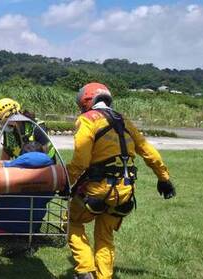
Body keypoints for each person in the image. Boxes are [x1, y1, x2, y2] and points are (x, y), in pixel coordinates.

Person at [66, 82, 176, 279]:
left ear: (86, 101)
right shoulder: (124, 121)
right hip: (124, 192)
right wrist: (164, 178)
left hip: (96, 190)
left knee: (72, 221)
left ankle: (84, 271)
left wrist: (65, 180)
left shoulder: (88, 120)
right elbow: (148, 150)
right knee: (105, 234)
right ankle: (103, 276)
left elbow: (81, 161)